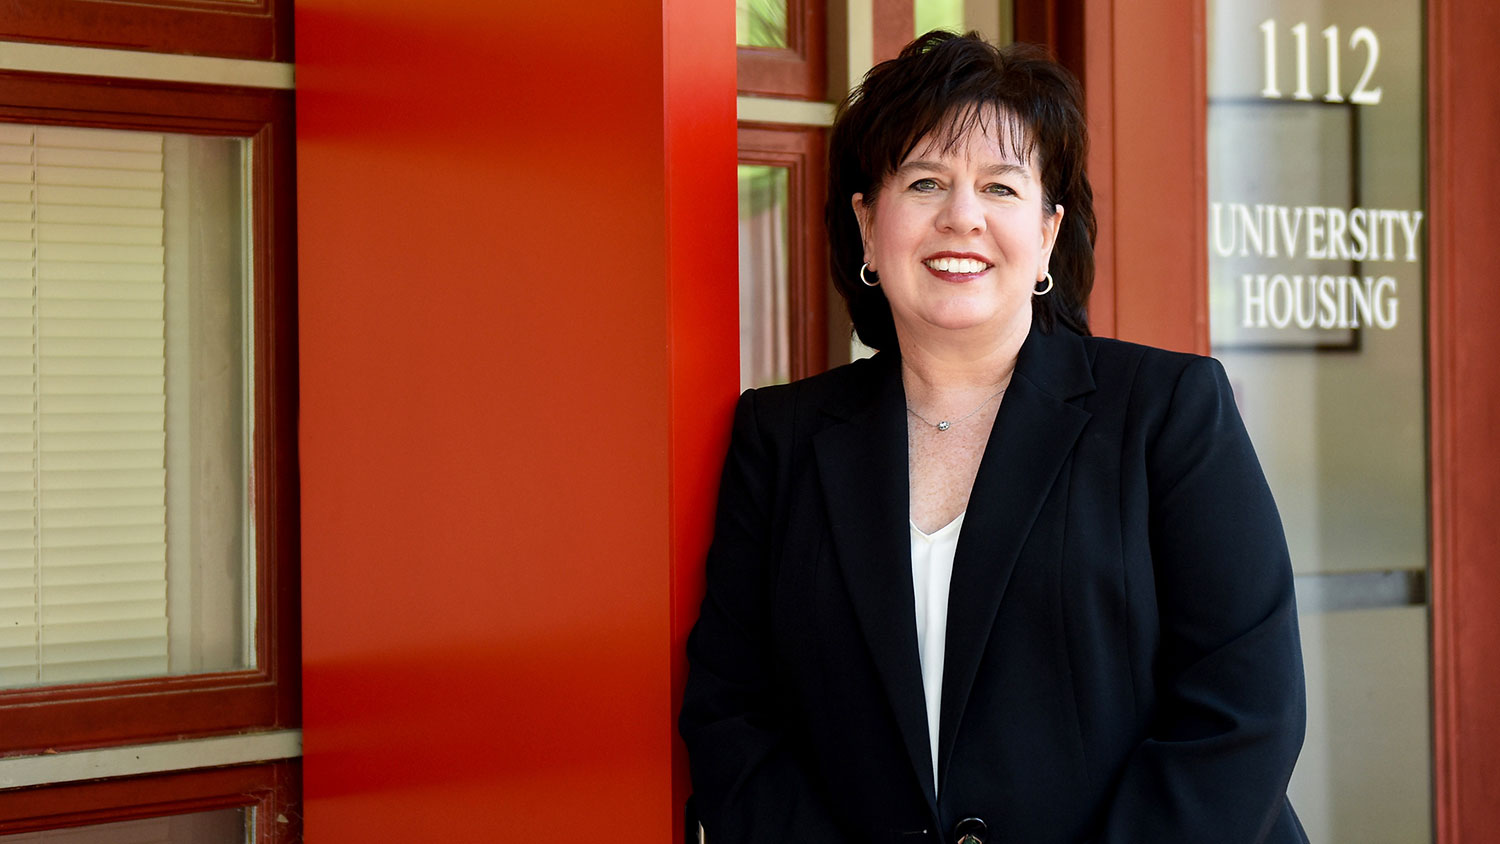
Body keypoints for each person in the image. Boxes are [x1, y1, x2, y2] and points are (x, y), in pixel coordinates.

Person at [680, 31, 1308, 844]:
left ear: (1047, 232)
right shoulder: (781, 437)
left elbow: (1245, 708)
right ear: (869, 224)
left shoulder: (1167, 410)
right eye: (927, 181)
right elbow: (735, 714)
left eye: (1001, 188)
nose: (962, 217)